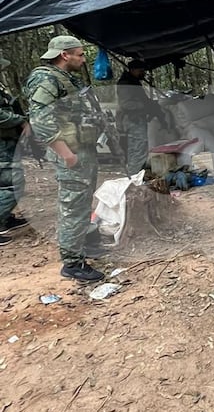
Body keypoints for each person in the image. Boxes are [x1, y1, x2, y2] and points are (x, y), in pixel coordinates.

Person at [25, 36, 105, 283]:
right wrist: (66, 154)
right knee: (73, 204)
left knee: (82, 200)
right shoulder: (46, 79)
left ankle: (84, 244)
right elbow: (40, 121)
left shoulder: (66, 79)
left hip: (82, 147)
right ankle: (72, 263)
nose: (83, 59)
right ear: (64, 55)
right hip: (70, 151)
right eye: (80, 55)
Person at [116, 59, 167, 175]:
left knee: (140, 149)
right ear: (133, 70)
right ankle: (134, 178)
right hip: (132, 121)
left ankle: (138, 176)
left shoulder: (133, 81)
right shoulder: (126, 84)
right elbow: (126, 105)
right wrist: (145, 105)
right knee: (137, 151)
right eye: (140, 71)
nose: (143, 73)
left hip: (137, 120)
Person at [0, 56, 30, 246]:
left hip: (7, 140)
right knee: (13, 183)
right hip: (2, 144)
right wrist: (20, 120)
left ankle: (6, 217)